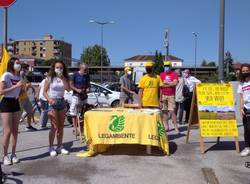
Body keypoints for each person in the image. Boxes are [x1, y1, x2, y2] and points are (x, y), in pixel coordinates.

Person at [0, 57, 25, 165]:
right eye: (17, 63)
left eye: (19, 63)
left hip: (15, 103)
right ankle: (5, 156)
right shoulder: (6, 75)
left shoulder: (19, 76)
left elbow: (19, 91)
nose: (19, 65)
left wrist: (21, 90)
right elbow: (1, 92)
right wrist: (16, 86)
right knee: (7, 131)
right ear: (12, 64)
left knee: (15, 131)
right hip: (6, 103)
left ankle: (13, 154)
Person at [43, 60, 70, 157]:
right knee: (54, 126)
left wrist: (63, 78)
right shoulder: (50, 78)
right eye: (57, 67)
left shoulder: (65, 78)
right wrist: (49, 100)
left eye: (61, 68)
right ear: (54, 68)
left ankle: (59, 146)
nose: (59, 69)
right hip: (52, 102)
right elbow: (44, 92)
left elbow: (68, 89)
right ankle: (51, 146)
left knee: (61, 126)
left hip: (62, 102)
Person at [69, 63, 90, 135]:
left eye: (87, 70)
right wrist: (77, 90)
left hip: (84, 96)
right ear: (80, 68)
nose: (86, 71)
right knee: (74, 112)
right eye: (85, 70)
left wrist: (88, 89)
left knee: (83, 112)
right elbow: (71, 85)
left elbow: (88, 85)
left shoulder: (87, 75)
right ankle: (75, 128)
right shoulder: (75, 75)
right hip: (76, 95)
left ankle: (81, 129)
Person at [160, 61, 179, 133]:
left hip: (171, 95)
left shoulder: (174, 74)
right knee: (164, 111)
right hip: (163, 95)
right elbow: (161, 85)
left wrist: (166, 83)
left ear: (170, 66)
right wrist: (170, 84)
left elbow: (175, 83)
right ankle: (166, 126)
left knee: (172, 111)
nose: (166, 67)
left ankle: (176, 127)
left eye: (167, 65)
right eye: (165, 66)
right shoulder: (162, 74)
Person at [19, 65, 37, 131]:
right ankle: (15, 128)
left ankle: (28, 126)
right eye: (24, 69)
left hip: (25, 98)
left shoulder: (24, 77)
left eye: (26, 69)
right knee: (18, 114)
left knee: (30, 111)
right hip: (19, 99)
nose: (25, 71)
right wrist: (27, 87)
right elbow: (19, 91)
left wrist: (32, 87)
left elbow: (28, 83)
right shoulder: (18, 77)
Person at [237, 63, 250, 157]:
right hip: (246, 108)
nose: (245, 72)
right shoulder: (241, 84)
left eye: (247, 70)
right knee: (247, 129)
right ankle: (247, 148)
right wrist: (241, 108)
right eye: (243, 71)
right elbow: (241, 97)